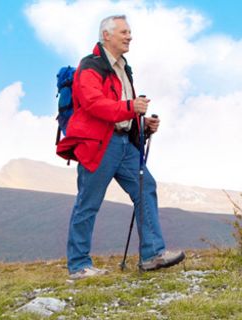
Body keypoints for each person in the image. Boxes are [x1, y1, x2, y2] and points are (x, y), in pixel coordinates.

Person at [57, 15, 185, 279]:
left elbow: (121, 108)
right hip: (99, 144)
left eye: (129, 32)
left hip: (125, 142)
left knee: (145, 187)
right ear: (107, 35)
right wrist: (130, 108)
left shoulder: (123, 68)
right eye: (124, 32)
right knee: (88, 203)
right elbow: (93, 103)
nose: (129, 36)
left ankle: (152, 255)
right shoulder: (90, 66)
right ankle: (79, 265)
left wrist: (142, 123)